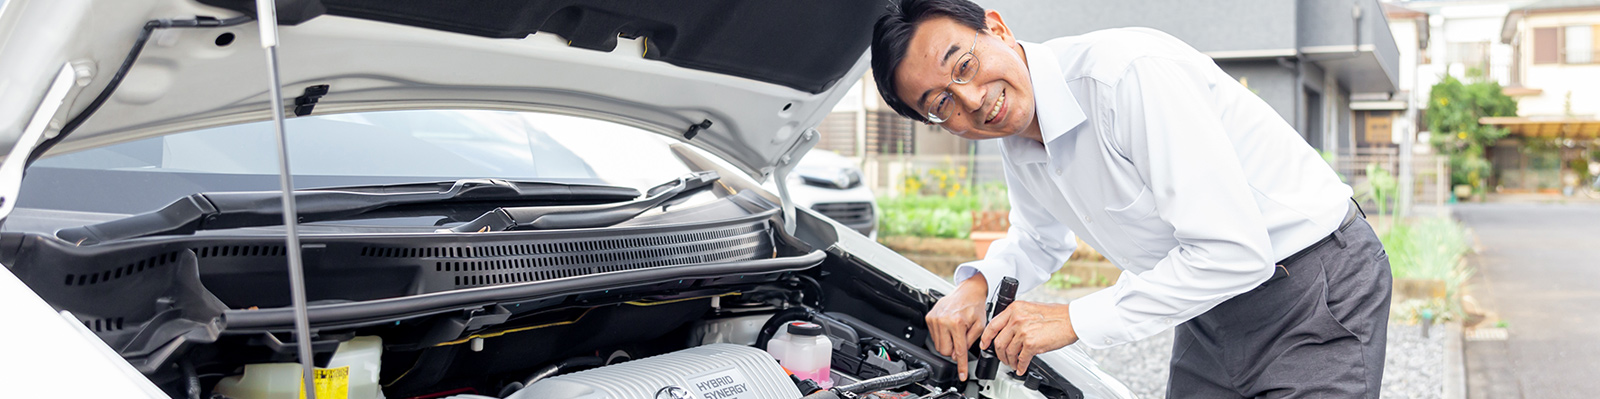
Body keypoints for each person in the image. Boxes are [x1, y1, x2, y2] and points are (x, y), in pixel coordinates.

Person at [869, 0, 1392, 397]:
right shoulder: (1017, 134)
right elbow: (1039, 239)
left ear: (998, 29)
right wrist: (977, 285)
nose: (974, 100)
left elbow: (1235, 252)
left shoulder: (1125, 77)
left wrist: (1071, 319)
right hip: (1207, 303)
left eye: (964, 66)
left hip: (1313, 286)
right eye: (942, 103)